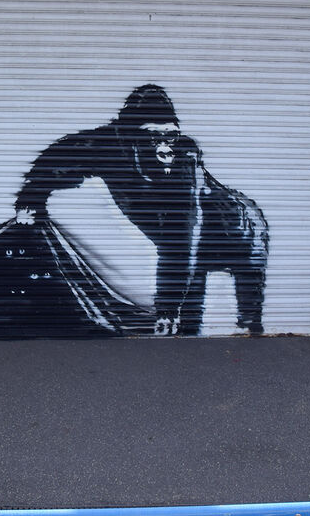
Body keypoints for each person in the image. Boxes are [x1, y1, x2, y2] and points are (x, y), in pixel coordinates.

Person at [15, 84, 268, 335]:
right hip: (190, 242)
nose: (166, 150)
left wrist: (167, 307)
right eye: (156, 139)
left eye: (170, 137)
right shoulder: (107, 145)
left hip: (240, 233)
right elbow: (55, 160)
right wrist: (29, 201)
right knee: (187, 318)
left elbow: (182, 239)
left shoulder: (185, 157)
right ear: (131, 138)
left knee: (244, 320)